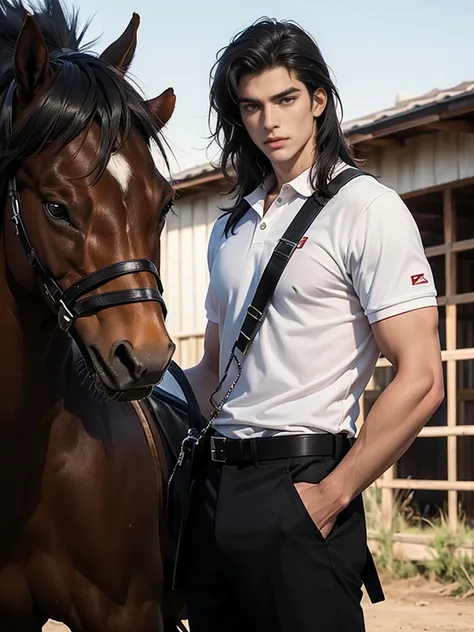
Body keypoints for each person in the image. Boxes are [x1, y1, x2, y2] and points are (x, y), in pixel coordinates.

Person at [182, 17, 444, 632]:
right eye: (251, 106)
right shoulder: (231, 227)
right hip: (214, 490)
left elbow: (423, 378)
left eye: (285, 99)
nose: (269, 120)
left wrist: (331, 496)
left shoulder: (367, 210)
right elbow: (213, 374)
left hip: (302, 484)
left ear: (318, 101)